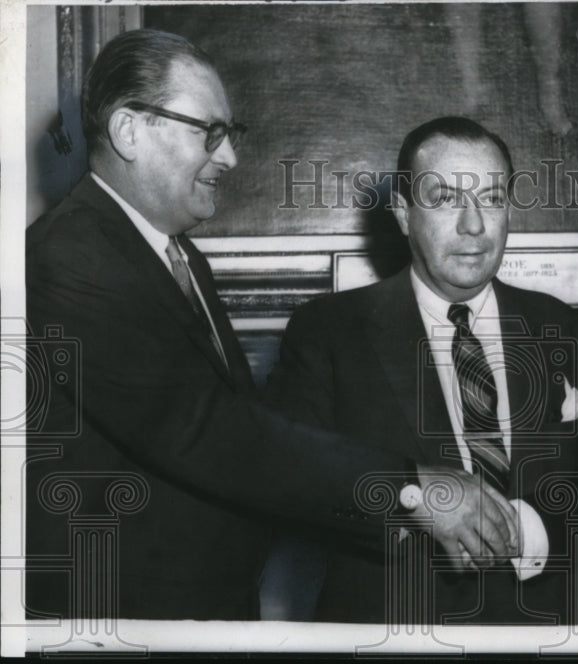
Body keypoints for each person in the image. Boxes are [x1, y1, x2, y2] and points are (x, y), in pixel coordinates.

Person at [25, 31, 516, 621]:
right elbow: (208, 431)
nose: (229, 158)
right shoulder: (69, 254)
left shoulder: (176, 256)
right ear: (129, 131)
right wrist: (412, 489)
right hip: (120, 624)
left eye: (230, 133)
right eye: (208, 132)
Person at [264, 116, 578, 623]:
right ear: (403, 213)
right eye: (446, 199)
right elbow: (293, 479)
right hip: (393, 635)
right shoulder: (329, 332)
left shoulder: (567, 331)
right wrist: (410, 497)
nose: (474, 225)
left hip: (546, 634)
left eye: (491, 198)